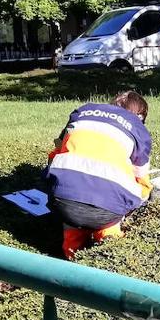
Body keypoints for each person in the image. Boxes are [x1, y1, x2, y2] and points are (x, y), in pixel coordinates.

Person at [44, 91, 152, 259]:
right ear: (141, 117)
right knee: (126, 199)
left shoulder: (81, 112)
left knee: (71, 204)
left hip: (63, 203)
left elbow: (55, 153)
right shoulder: (139, 131)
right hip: (107, 211)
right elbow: (141, 179)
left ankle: (71, 249)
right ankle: (109, 237)